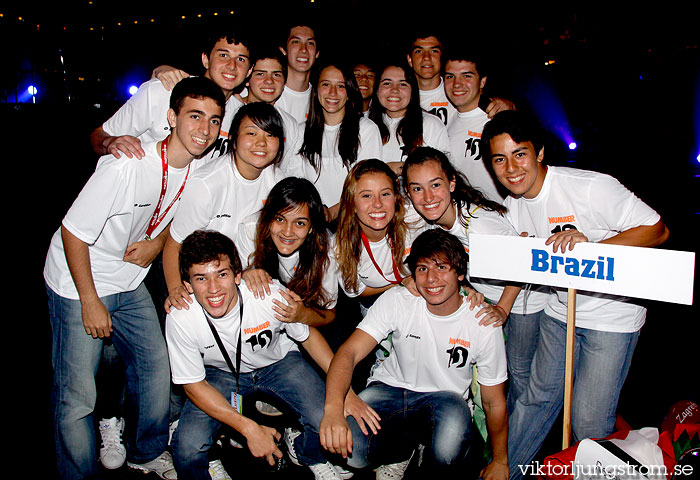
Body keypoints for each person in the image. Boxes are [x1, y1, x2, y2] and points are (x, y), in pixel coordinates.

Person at [44, 76, 226, 480]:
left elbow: (173, 219)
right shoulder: (127, 163)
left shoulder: (199, 170)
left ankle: (146, 453)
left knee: (156, 368)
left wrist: (158, 241)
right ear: (171, 117)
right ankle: (77, 474)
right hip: (79, 278)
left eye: (214, 121)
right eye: (195, 116)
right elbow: (73, 232)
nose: (204, 129)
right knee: (78, 396)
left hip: (129, 279)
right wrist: (89, 300)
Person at [481, 110, 670, 480]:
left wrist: (594, 245)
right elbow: (526, 263)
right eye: (499, 159)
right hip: (560, 311)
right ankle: (504, 470)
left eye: (519, 154)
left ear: (539, 152)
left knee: (588, 420)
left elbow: (657, 230)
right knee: (535, 399)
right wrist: (504, 302)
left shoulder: (589, 187)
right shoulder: (515, 207)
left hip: (611, 317)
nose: (511, 168)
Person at [166, 230, 374, 480]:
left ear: (237, 276)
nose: (213, 289)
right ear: (187, 285)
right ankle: (210, 460)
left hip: (279, 362)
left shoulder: (267, 294)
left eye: (222, 274)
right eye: (201, 278)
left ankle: (305, 453)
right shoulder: (180, 317)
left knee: (327, 419)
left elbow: (307, 337)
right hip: (220, 372)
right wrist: (249, 429)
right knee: (186, 448)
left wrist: (346, 392)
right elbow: (192, 386)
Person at [320, 228, 509, 479]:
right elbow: (349, 352)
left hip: (446, 398)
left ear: (460, 273)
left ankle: (416, 446)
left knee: (447, 455)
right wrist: (333, 408)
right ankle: (402, 448)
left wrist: (500, 460)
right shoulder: (399, 299)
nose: (431, 279)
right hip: (390, 389)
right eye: (422, 269)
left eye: (441, 267)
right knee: (353, 451)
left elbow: (493, 401)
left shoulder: (482, 322)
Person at [402, 146, 550, 412]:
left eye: (435, 185)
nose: (427, 197)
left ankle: (515, 449)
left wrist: (503, 309)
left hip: (524, 299)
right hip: (491, 297)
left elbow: (523, 263)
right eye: (417, 189)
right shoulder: (432, 222)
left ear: (452, 183)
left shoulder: (479, 223)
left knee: (520, 379)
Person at [162, 102, 286, 313]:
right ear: (234, 140)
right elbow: (174, 245)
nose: (261, 143)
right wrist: (175, 289)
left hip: (247, 276)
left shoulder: (278, 182)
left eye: (270, 135)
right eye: (251, 133)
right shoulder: (207, 184)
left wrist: (253, 270)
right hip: (205, 279)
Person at [91, 29, 251, 161]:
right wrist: (109, 142)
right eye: (223, 55)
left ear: (249, 70)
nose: (232, 66)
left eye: (241, 59)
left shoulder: (239, 115)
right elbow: (99, 135)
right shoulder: (162, 90)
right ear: (206, 59)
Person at [236, 176, 338, 327]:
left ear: (311, 228)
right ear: (269, 218)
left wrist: (302, 315)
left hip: (305, 323)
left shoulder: (326, 248)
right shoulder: (251, 229)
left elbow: (329, 313)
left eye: (299, 223)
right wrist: (244, 274)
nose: (287, 232)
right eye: (280, 219)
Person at [297, 61, 383, 219]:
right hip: (313, 219)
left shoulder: (366, 130)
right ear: (316, 89)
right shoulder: (301, 131)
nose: (332, 92)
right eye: (326, 84)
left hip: (353, 220)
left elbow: (366, 185)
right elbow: (296, 181)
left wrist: (332, 212)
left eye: (341, 86)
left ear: (349, 91)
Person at [406, 31, 514, 127]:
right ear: (410, 59)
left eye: (434, 51)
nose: (426, 58)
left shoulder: (458, 91)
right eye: (419, 51)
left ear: (442, 57)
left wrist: (510, 107)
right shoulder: (400, 95)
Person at [444, 48, 506, 202]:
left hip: (502, 216)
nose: (457, 84)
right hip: (463, 219)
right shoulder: (443, 122)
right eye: (450, 76)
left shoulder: (498, 120)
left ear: (482, 81)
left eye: (466, 76)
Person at [368, 61, 450, 175]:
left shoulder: (431, 125)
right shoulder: (366, 126)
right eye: (387, 83)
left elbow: (442, 170)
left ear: (412, 92)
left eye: (403, 84)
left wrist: (399, 168)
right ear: (376, 90)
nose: (394, 90)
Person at [243, 46, 304, 174]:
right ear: (247, 78)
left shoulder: (290, 125)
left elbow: (286, 170)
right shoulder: (229, 109)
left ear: (284, 81)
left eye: (276, 75)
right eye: (260, 74)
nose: (269, 81)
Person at [276, 22, 321, 123]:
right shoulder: (268, 92)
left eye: (310, 43)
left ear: (317, 53)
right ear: (283, 50)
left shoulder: (321, 99)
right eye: (296, 42)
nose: (304, 50)